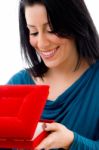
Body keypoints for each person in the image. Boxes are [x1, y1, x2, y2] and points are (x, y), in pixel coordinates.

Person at [7, 0, 99, 149]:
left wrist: (72, 141)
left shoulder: (95, 82)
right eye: (34, 32)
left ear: (75, 23)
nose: (42, 43)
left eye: (51, 29)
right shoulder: (18, 84)